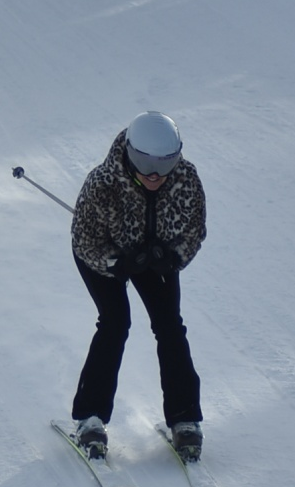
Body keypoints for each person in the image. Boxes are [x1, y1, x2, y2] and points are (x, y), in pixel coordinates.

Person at [69, 111, 206, 461]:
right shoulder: (103, 183)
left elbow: (194, 230)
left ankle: (185, 417)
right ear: (131, 154)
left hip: (155, 258)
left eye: (164, 164)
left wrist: (173, 257)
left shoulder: (187, 180)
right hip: (105, 257)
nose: (154, 175)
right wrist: (116, 263)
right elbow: (84, 241)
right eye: (145, 164)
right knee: (115, 322)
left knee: (169, 325)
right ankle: (90, 417)